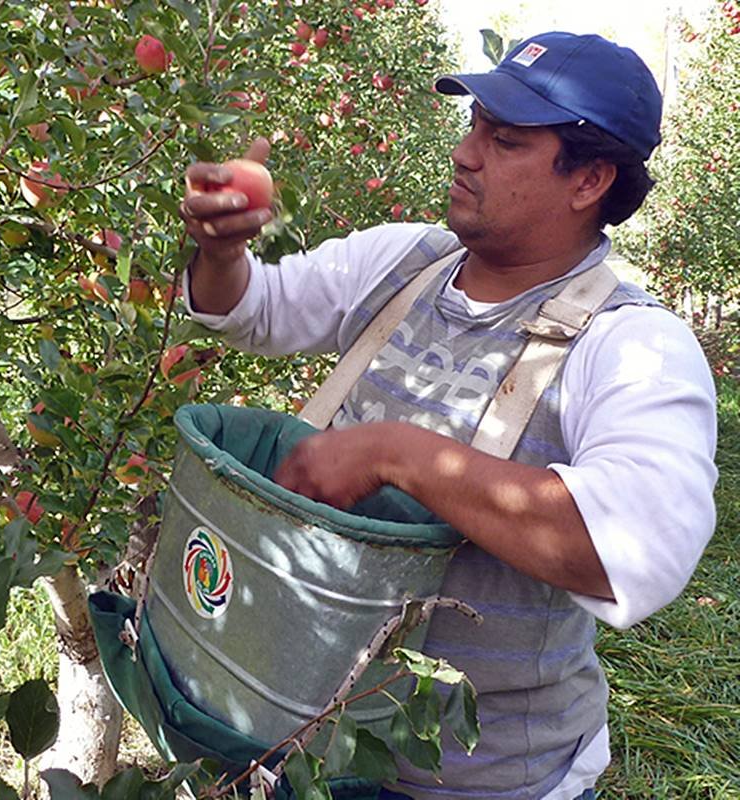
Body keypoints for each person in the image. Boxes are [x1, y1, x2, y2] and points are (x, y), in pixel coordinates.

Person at [178, 32, 718, 800]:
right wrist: (222, 252)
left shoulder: (632, 344)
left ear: (589, 179)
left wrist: (398, 453)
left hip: (479, 780)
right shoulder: (404, 262)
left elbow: (635, 549)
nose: (466, 153)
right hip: (294, 742)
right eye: (473, 126)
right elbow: (249, 310)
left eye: (504, 140)